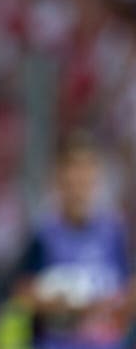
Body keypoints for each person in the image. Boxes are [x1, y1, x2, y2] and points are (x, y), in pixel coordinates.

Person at [13, 135, 133, 349]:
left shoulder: (114, 233)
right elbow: (23, 293)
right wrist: (62, 306)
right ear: (59, 180)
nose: (79, 185)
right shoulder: (44, 235)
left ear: (95, 178)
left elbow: (127, 289)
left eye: (85, 176)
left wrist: (109, 307)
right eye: (72, 177)